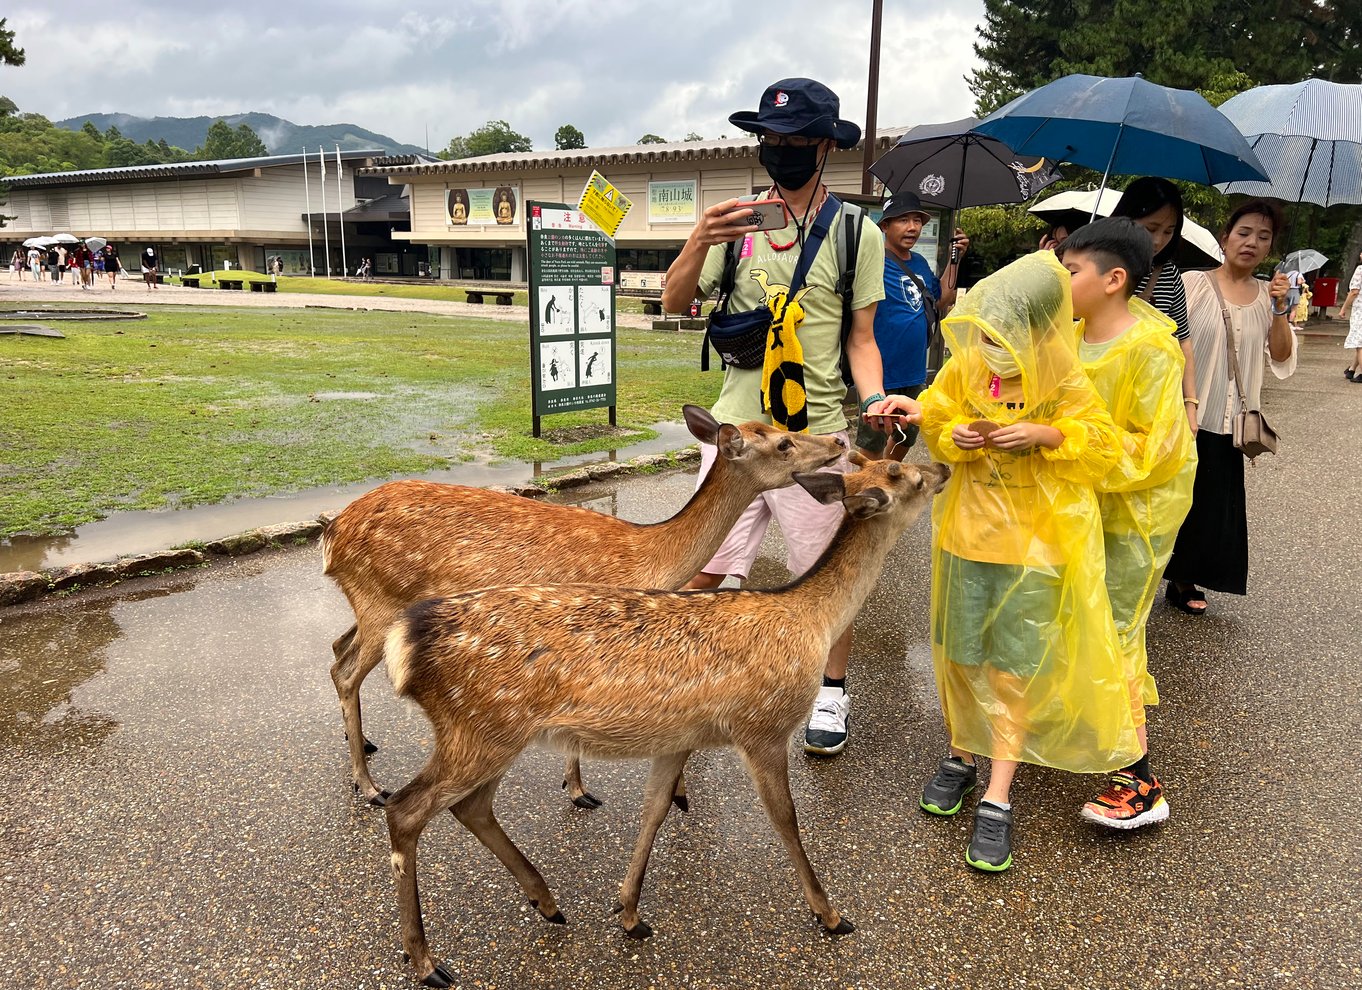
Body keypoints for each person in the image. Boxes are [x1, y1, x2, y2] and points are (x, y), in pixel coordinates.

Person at [660, 77, 916, 758]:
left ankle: (831, 691)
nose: (781, 150)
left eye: (797, 139)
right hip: (738, 437)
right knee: (703, 570)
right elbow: (673, 303)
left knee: (824, 579)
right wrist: (696, 239)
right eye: (771, 139)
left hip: (816, 439)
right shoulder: (736, 223)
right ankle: (696, 680)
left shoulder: (857, 231)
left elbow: (861, 338)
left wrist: (873, 400)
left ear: (825, 145)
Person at [916, 250, 1137, 871]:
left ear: (1035, 329)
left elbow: (1101, 446)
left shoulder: (1062, 378)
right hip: (966, 540)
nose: (987, 346)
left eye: (1000, 334)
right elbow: (936, 412)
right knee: (960, 654)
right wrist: (953, 431)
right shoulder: (967, 367)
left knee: (1012, 668)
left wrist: (1045, 435)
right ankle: (962, 753)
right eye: (982, 332)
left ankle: (998, 793)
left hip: (1033, 552)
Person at [1060, 218, 1196, 829]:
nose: (1060, 282)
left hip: (1136, 513)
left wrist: (1062, 441)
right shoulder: (1067, 334)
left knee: (1116, 631)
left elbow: (1154, 448)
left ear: (1114, 280)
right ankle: (1086, 734)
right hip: (1076, 503)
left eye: (1071, 272)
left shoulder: (1150, 347)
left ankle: (1139, 778)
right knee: (1074, 621)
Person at [1164, 202, 1296, 615]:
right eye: (1244, 232)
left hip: (1231, 418)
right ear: (1224, 238)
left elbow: (1281, 356)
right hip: (1182, 411)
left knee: (1213, 504)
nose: (1252, 242)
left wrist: (1279, 311)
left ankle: (1187, 579)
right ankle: (1154, 571)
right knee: (1172, 498)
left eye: (1263, 236)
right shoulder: (1189, 284)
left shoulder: (1268, 297)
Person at [855, 191, 968, 460]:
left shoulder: (918, 262)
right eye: (903, 220)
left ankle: (888, 478)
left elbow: (942, 298)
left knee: (908, 434)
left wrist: (956, 258)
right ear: (884, 226)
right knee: (872, 442)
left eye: (917, 220)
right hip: (882, 372)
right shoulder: (873, 261)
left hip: (915, 370)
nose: (912, 227)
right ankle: (868, 488)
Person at [1111, 177, 1200, 435]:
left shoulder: (1168, 274)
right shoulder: (1096, 268)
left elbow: (1183, 341)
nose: (1159, 240)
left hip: (1150, 399)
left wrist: (1190, 405)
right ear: (1127, 219)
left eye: (1168, 231)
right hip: (1099, 393)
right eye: (1151, 229)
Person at [1342, 251, 1362, 381]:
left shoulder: (1360, 269)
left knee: (1360, 343)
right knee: (1359, 341)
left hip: (1360, 310)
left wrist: (1343, 308)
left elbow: (1354, 292)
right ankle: (1352, 369)